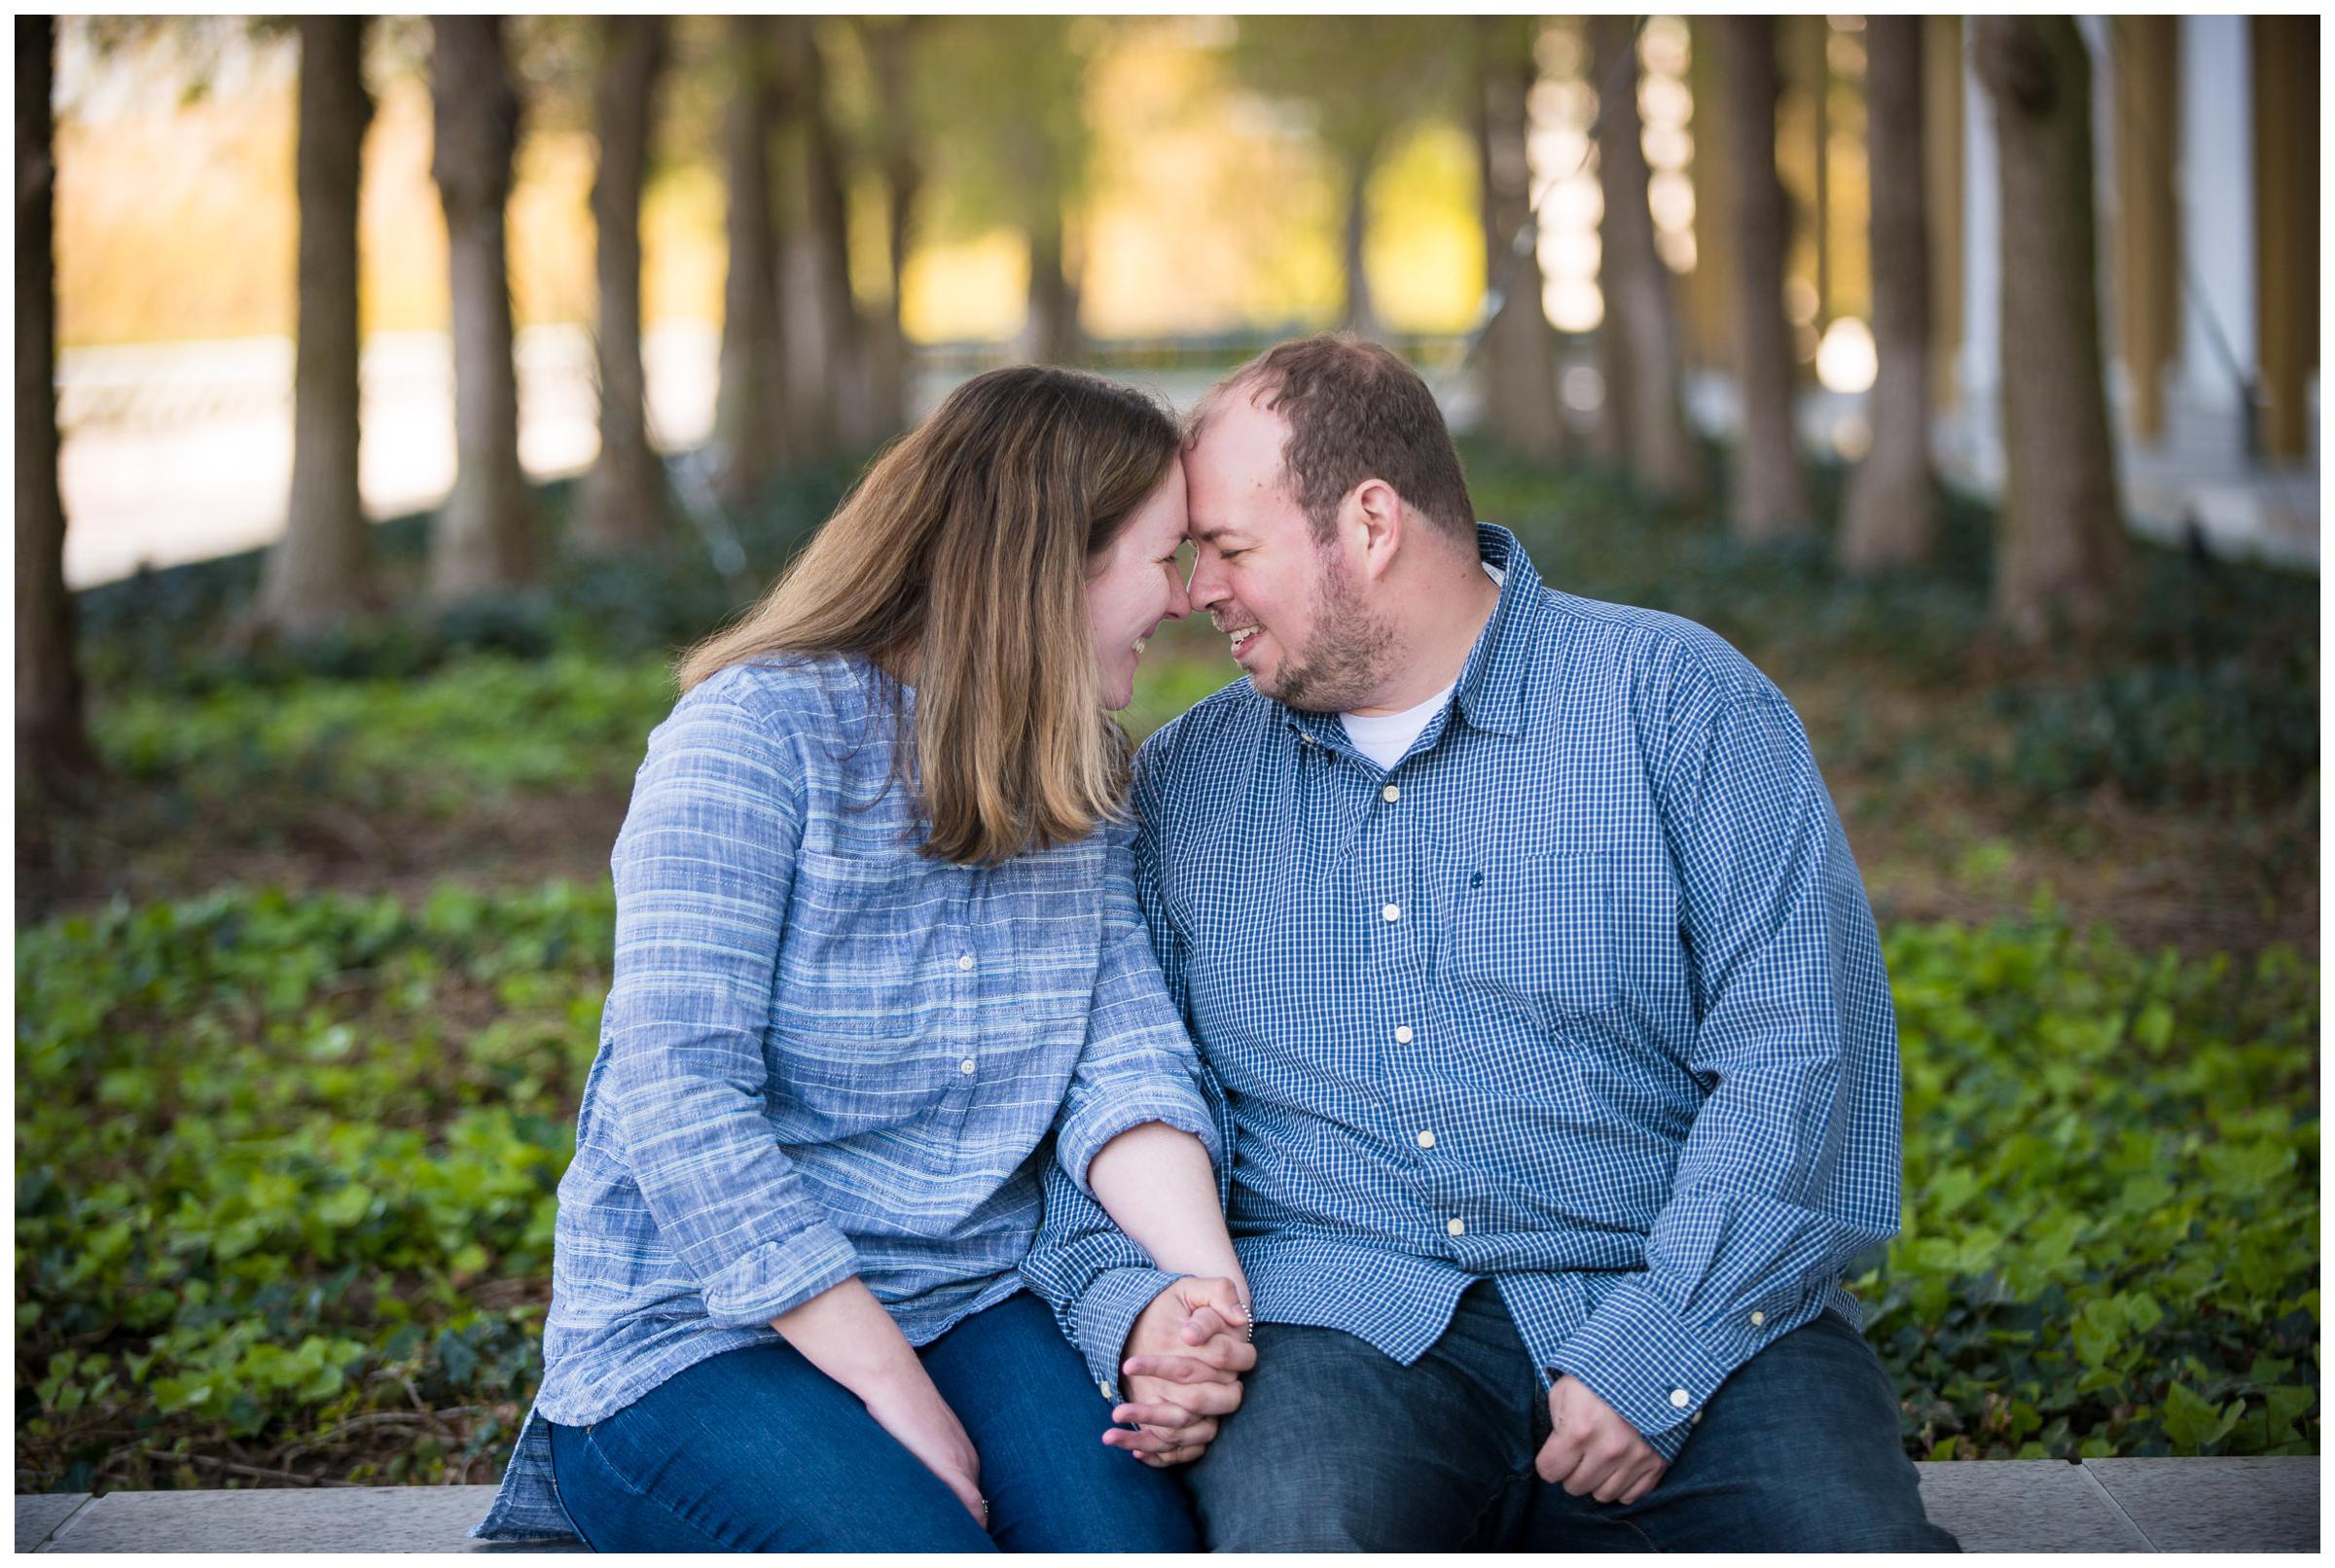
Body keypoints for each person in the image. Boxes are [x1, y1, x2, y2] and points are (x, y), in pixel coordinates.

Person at [1022, 335, 1960, 1550]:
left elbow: (1806, 1055)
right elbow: (1102, 1085)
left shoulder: (1680, 703)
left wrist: (1660, 1349)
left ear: (1370, 523)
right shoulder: (1186, 785)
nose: (1198, 592)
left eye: (1233, 551)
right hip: (1338, 1324)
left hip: (1681, 1293)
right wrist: (1132, 1308)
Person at [472, 366, 1253, 1551]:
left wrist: (1203, 1297)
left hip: (972, 1298)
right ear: (1054, 566)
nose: (1188, 599)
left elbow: (1123, 1058)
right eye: (1166, 558)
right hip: (700, 1326)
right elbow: (679, 1103)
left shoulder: (1071, 764)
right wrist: (895, 1391)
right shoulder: (750, 741)